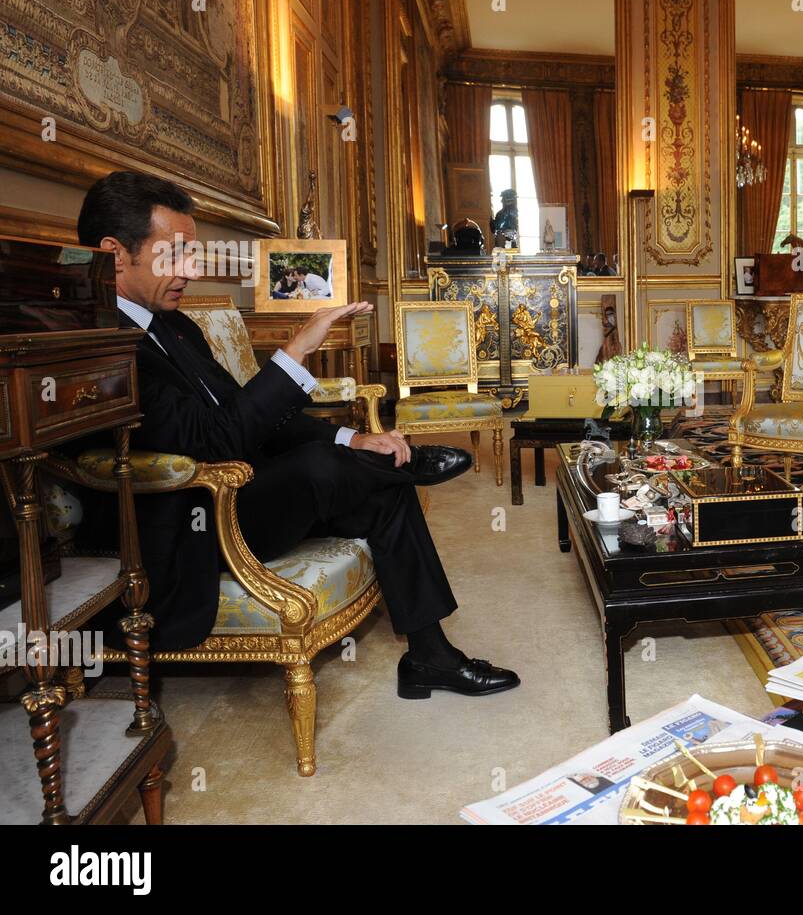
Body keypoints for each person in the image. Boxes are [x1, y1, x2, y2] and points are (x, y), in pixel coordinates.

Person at [77, 171, 518, 698]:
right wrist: (295, 351)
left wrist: (352, 441)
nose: (190, 271)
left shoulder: (177, 326)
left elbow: (244, 411)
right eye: (174, 254)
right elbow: (214, 440)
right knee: (318, 466)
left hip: (244, 492)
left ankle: (431, 656)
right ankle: (398, 463)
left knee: (382, 488)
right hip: (190, 520)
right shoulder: (100, 346)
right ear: (114, 253)